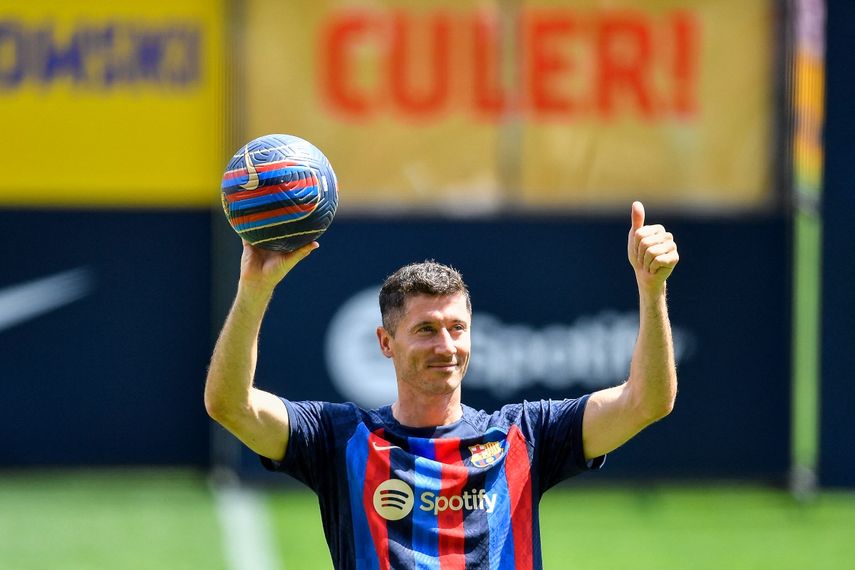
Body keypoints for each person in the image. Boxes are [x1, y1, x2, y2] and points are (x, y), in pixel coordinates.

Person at [205, 201, 679, 569]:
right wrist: (255, 289)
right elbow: (230, 404)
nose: (447, 346)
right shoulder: (341, 439)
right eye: (426, 330)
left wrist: (651, 288)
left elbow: (648, 400)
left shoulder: (525, 435)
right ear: (385, 343)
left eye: (457, 328)